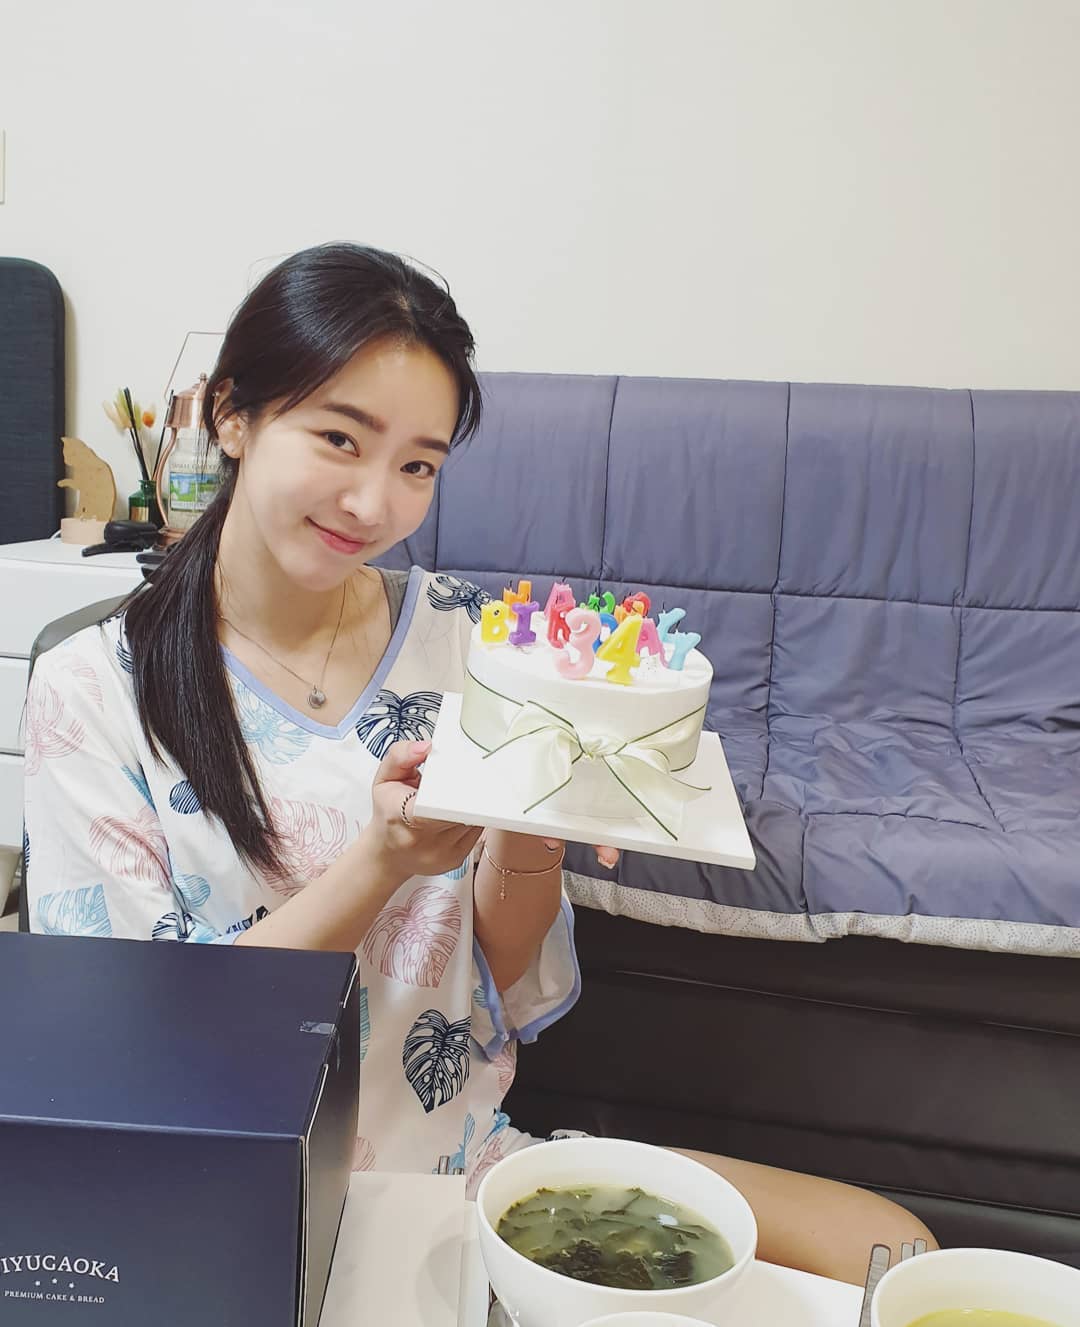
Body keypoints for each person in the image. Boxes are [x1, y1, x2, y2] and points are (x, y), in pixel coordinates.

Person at [24, 242, 934, 1283]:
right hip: (228, 1193)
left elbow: (501, 976)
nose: (373, 504)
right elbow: (149, 1048)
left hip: (461, 1172)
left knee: (889, 1244)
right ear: (232, 415)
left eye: (417, 465)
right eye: (339, 438)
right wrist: (383, 862)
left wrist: (535, 828)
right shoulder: (93, 690)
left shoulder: (477, 643)